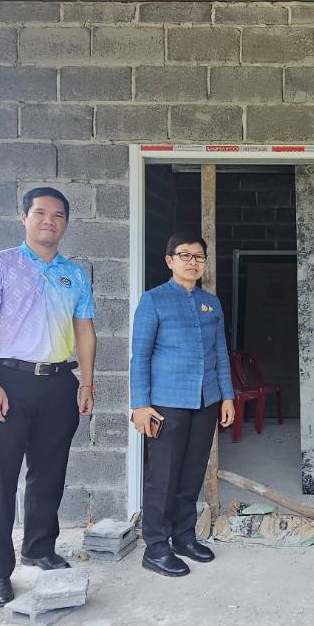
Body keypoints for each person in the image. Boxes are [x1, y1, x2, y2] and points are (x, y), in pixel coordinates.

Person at [0, 187, 97, 608]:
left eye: (57, 216)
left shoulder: (74, 274)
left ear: (66, 224)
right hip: (10, 380)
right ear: (23, 217)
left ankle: (39, 548)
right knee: (0, 480)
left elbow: (84, 330)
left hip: (59, 382)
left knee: (49, 473)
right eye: (40, 213)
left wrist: (86, 382)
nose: (49, 221)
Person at [130, 232, 234, 578]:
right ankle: (156, 548)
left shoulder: (211, 303)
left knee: (191, 473)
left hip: (206, 401)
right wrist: (140, 405)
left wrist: (227, 396)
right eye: (185, 255)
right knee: (163, 475)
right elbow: (140, 356)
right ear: (169, 261)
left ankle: (184, 537)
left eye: (198, 256)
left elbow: (220, 353)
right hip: (167, 404)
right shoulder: (154, 300)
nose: (192, 262)